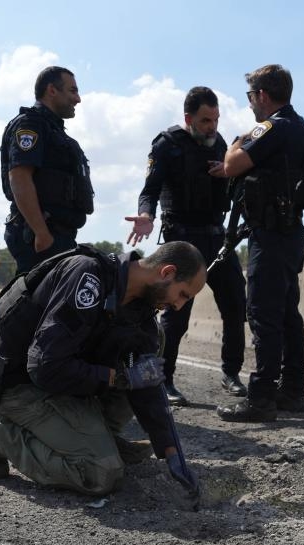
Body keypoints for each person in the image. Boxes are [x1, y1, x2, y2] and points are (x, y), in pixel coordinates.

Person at [0, 241, 207, 496]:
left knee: (148, 353)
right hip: (21, 385)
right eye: (183, 295)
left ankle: (94, 438)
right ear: (167, 272)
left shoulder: (142, 312)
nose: (180, 306)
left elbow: (147, 384)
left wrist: (171, 452)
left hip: (65, 386)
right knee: (100, 473)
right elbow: (45, 367)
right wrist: (120, 379)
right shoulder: (87, 277)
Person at [125, 86, 247, 407]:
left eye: (216, 119)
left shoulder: (221, 145)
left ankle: (231, 373)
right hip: (182, 239)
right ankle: (163, 380)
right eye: (206, 120)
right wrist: (145, 216)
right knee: (175, 314)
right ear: (188, 118)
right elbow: (149, 190)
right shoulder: (167, 145)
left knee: (236, 303)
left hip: (218, 239)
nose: (213, 127)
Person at [215, 65, 304, 423]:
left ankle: (261, 398)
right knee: (288, 313)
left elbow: (231, 165)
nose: (251, 103)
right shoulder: (300, 127)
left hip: (269, 236)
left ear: (264, 96)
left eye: (251, 96)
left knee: (263, 315)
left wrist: (238, 141)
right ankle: (293, 390)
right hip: (291, 234)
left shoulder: (270, 126)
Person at [1, 66, 94, 276]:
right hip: (40, 235)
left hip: (57, 234)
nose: (78, 99)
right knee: (37, 305)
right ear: (52, 90)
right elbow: (19, 178)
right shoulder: (30, 124)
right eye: (72, 91)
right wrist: (41, 233)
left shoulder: (53, 130)